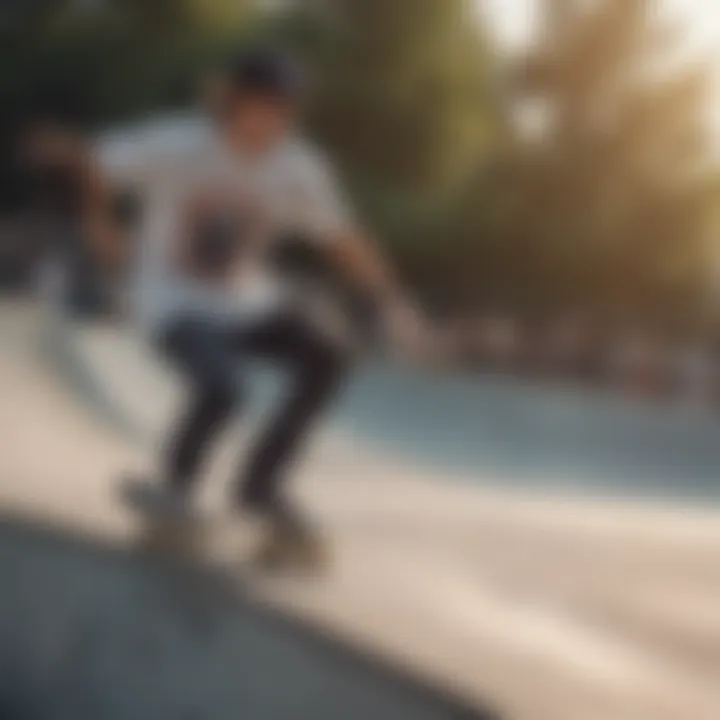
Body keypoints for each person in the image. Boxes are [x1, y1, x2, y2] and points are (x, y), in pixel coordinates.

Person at [82, 48, 426, 567]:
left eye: (283, 110)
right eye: (261, 107)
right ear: (230, 102)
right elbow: (94, 160)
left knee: (329, 354)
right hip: (172, 303)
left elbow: (340, 236)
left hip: (245, 302)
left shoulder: (298, 166)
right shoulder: (178, 143)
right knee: (224, 388)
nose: (272, 121)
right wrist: (101, 227)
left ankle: (259, 488)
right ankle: (176, 487)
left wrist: (392, 299)